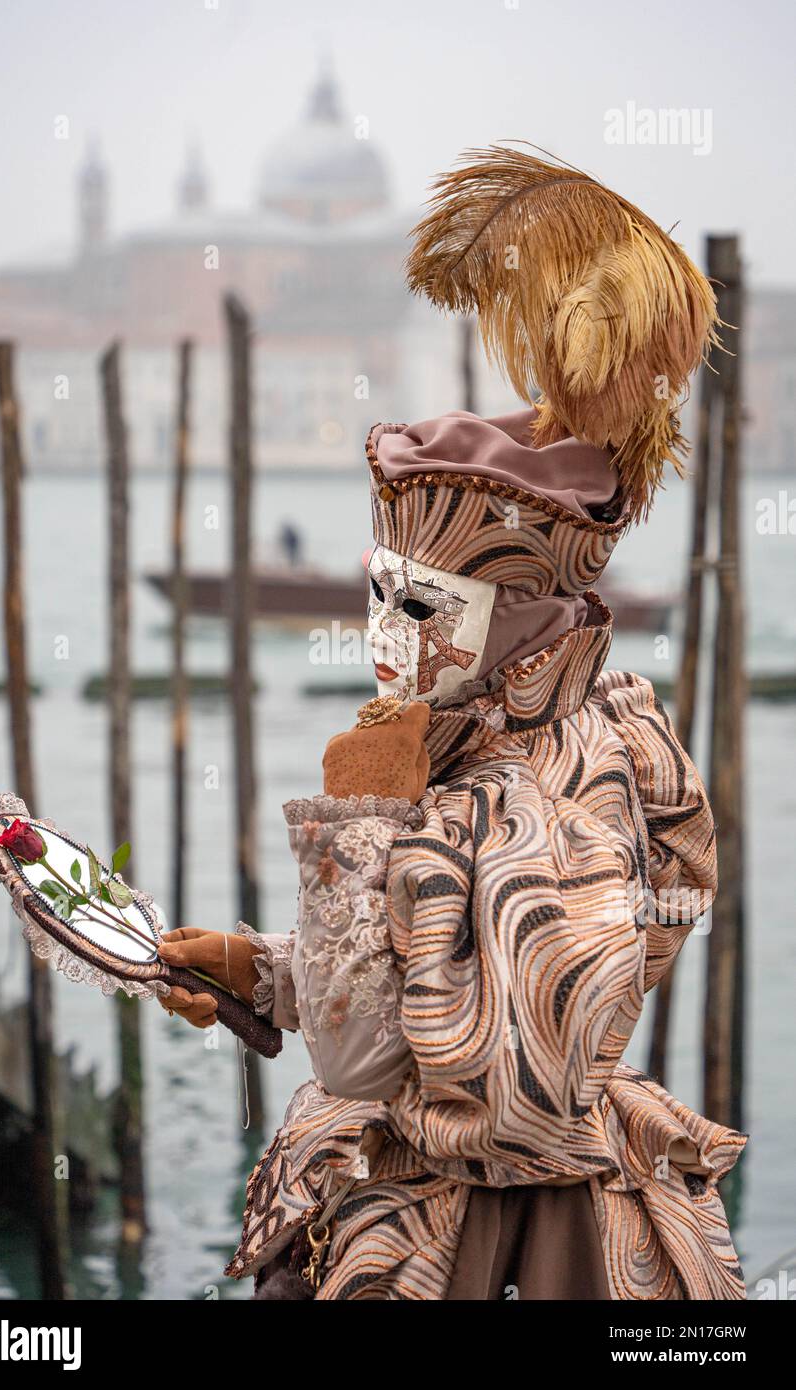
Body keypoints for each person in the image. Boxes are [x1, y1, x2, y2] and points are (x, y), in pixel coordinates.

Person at [156, 146, 746, 1300]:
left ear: (502, 617)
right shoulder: (557, 727)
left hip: (487, 1248)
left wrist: (358, 823)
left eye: (416, 608)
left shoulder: (534, 801)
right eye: (381, 597)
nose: (387, 639)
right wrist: (262, 974)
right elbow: (440, 981)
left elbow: (418, 1069)